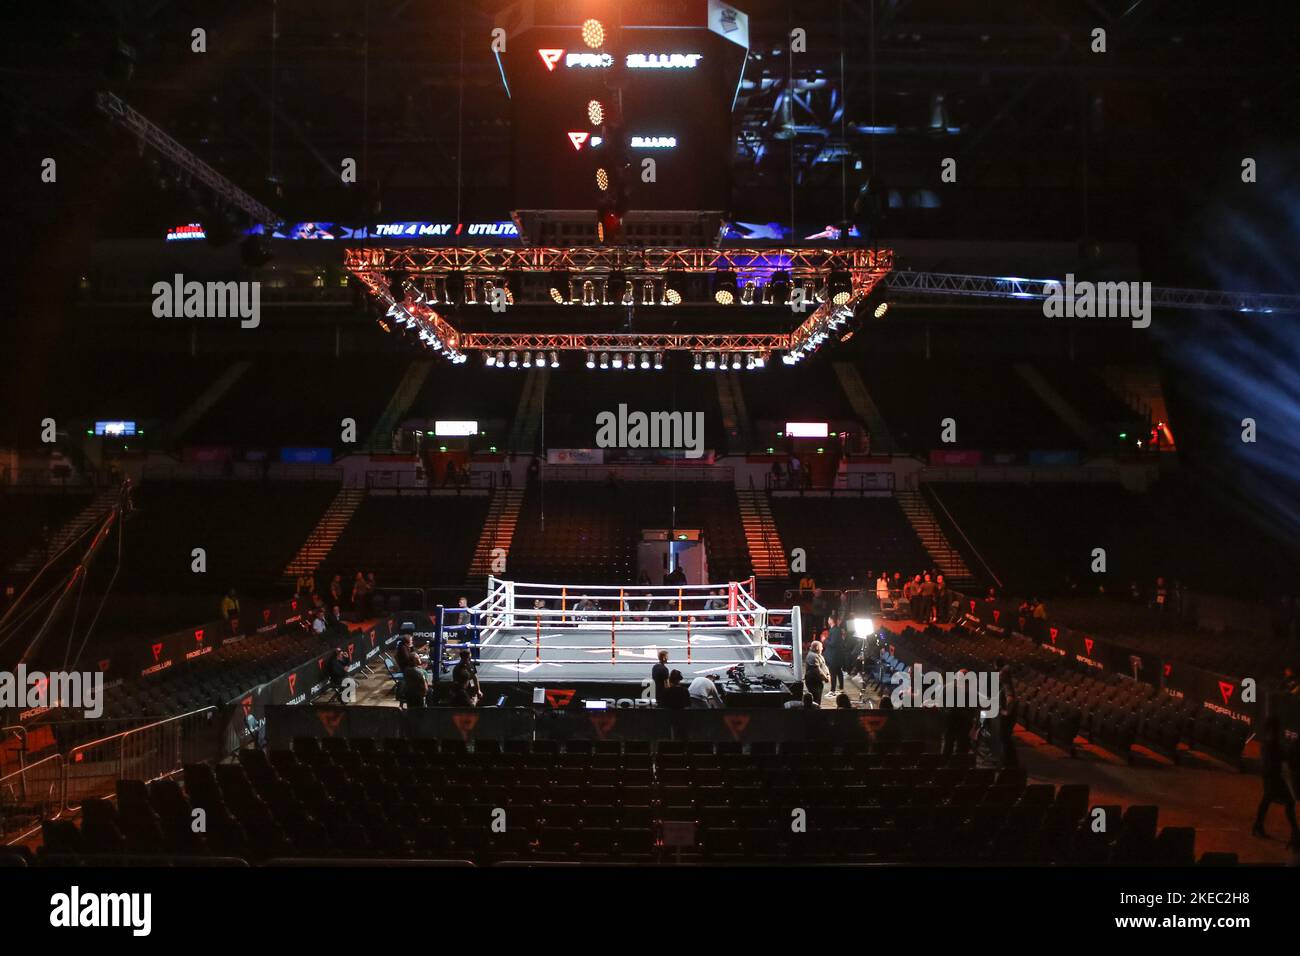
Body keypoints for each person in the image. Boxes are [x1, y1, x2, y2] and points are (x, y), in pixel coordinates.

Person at [1251, 713, 1299, 850]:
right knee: (1288, 802)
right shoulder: (1272, 743)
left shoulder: (1268, 742)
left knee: (1267, 800)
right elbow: (1283, 756)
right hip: (1274, 778)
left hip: (1269, 776)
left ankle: (1258, 826)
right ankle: (1295, 832)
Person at [823, 615, 847, 694]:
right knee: (838, 672)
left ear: (831, 620)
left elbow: (833, 643)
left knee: (833, 673)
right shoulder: (835, 629)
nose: (827, 621)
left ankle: (833, 690)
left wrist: (825, 640)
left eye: (828, 619)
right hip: (836, 655)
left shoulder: (835, 630)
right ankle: (841, 688)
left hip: (834, 656)